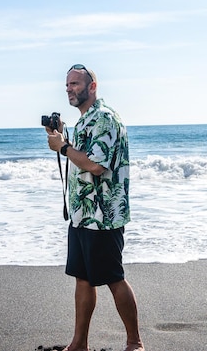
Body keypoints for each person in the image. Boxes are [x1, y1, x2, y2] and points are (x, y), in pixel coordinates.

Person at [46, 64, 145, 351]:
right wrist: (65, 138)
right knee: (83, 278)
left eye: (75, 84)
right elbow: (83, 158)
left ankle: (135, 343)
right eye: (67, 85)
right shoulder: (85, 122)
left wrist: (63, 148)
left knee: (114, 279)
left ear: (93, 86)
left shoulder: (104, 119)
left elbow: (97, 166)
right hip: (82, 213)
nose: (69, 89)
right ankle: (79, 344)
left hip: (103, 215)